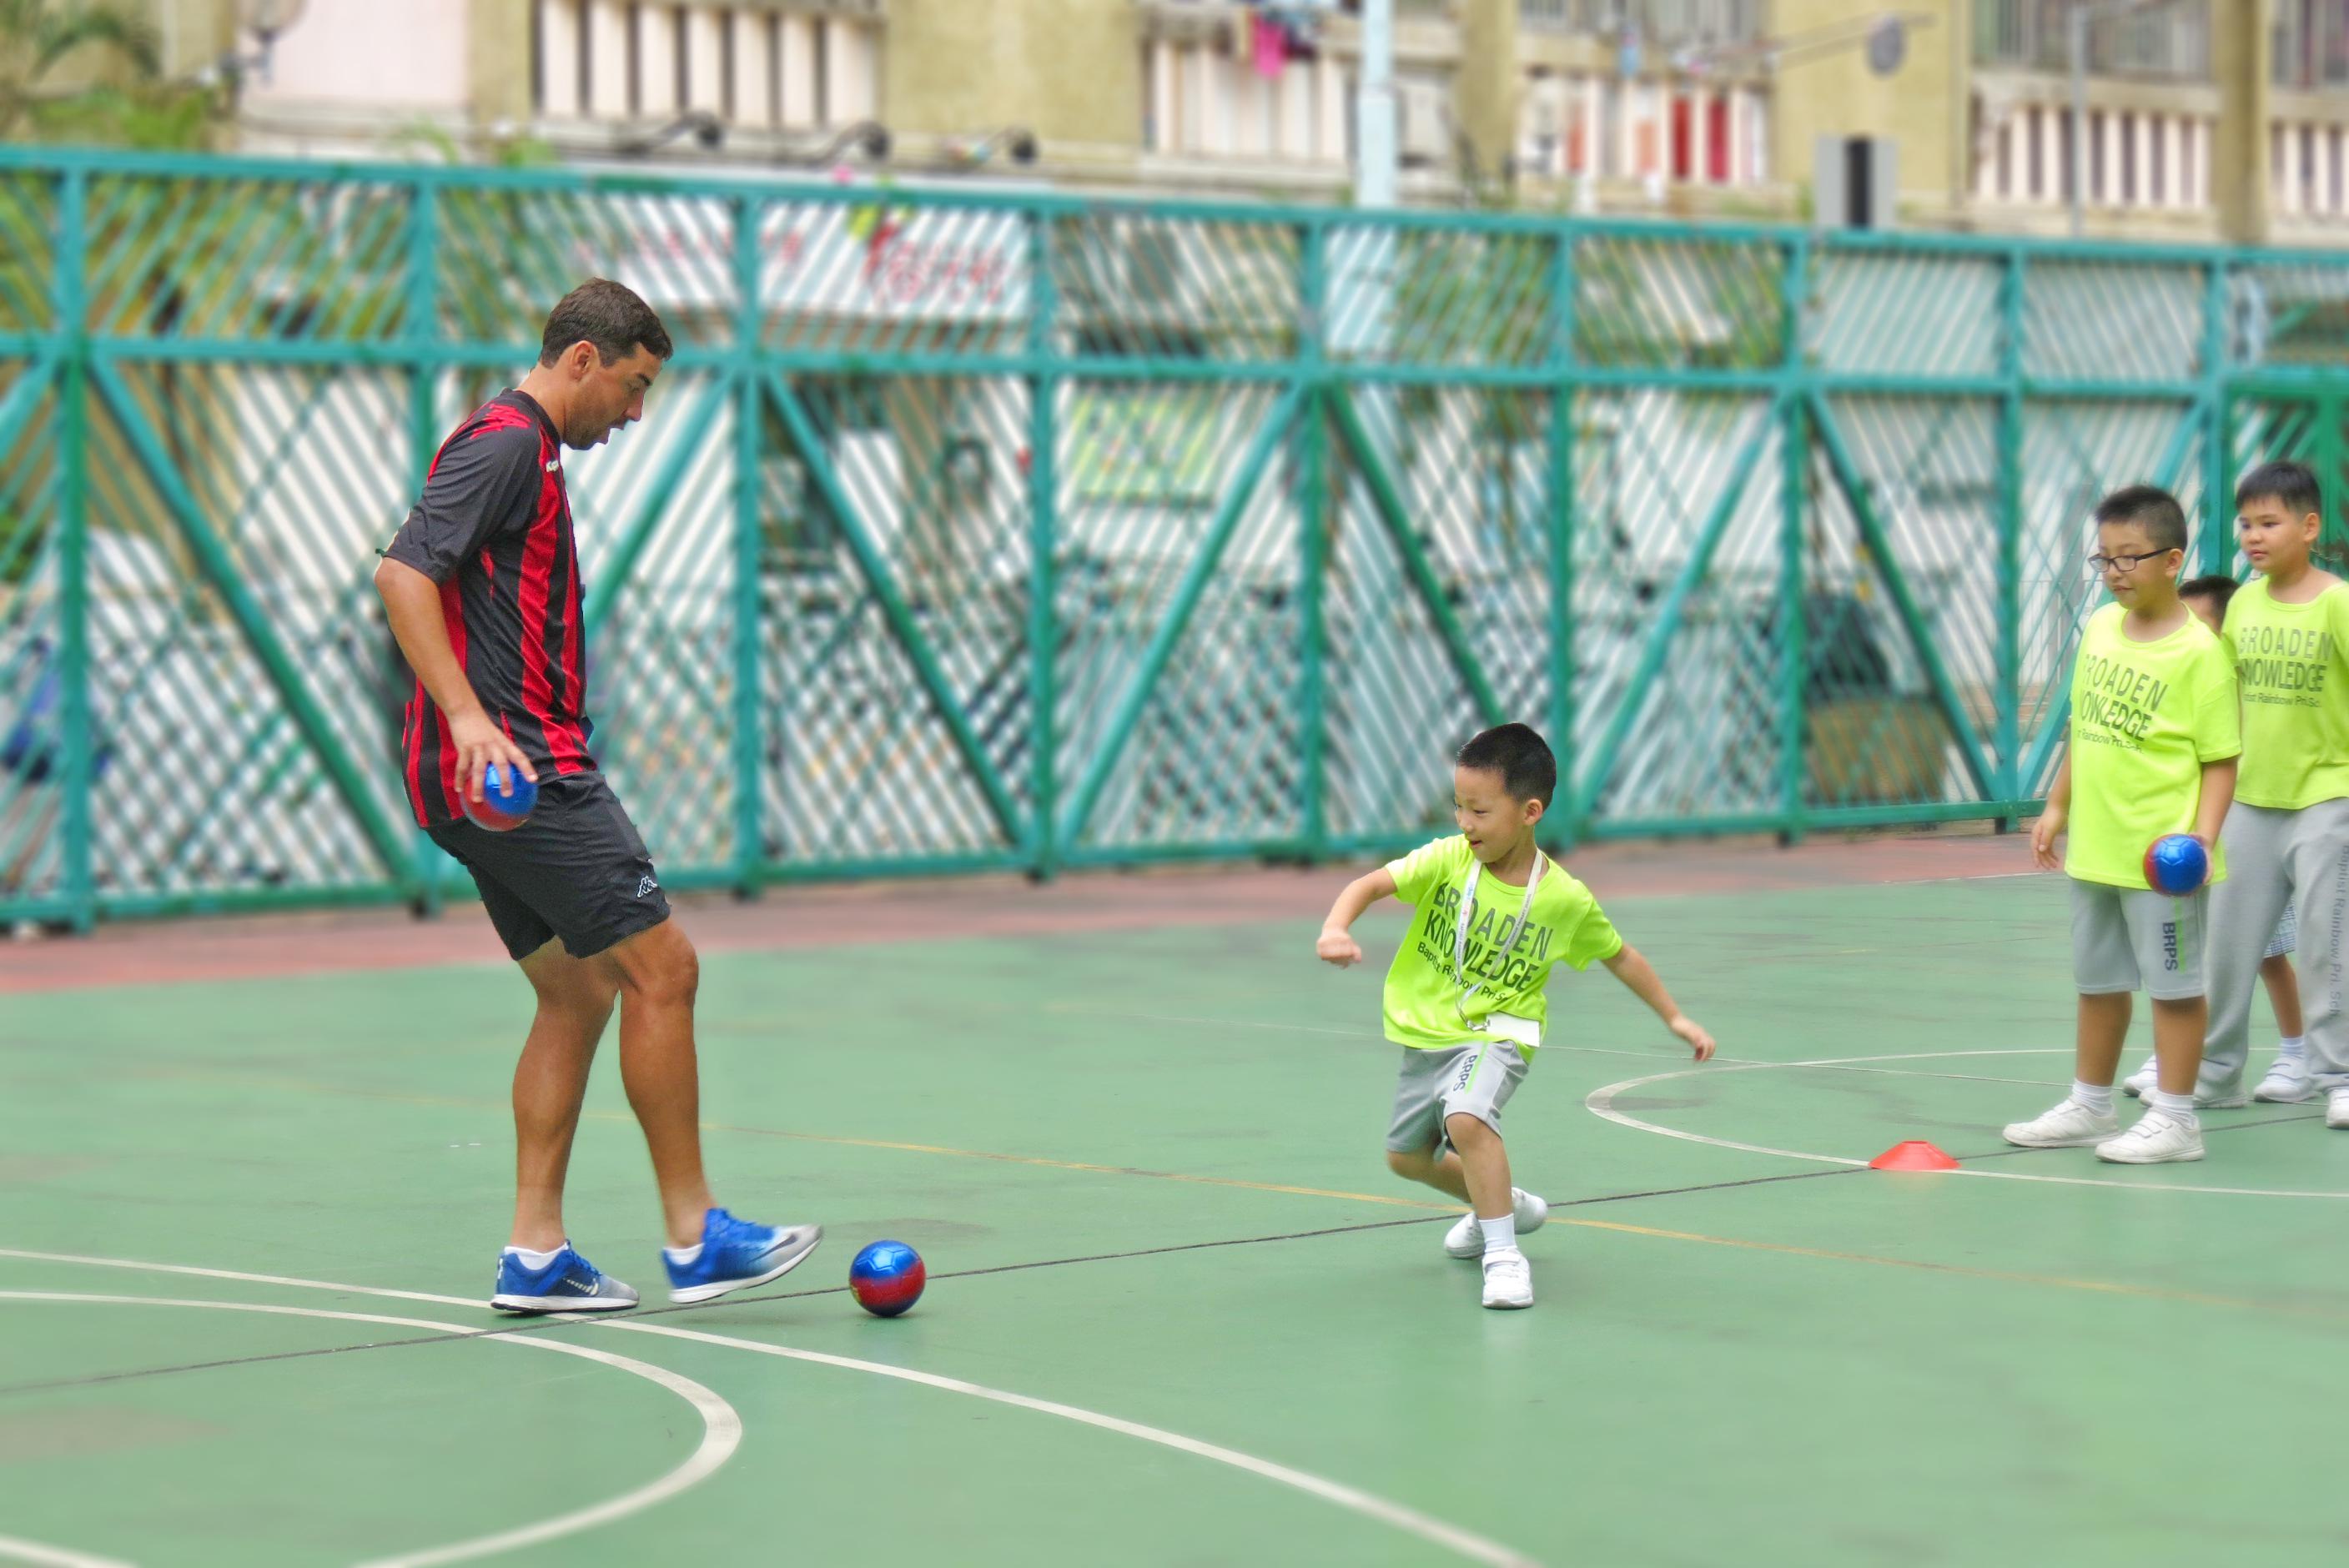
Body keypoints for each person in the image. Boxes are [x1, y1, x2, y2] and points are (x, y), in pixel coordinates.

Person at [375, 279, 818, 1314]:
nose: (634, 412)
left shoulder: (524, 450)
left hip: (482, 777)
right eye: (633, 384)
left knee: (576, 992)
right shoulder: (503, 444)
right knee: (665, 968)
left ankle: (535, 1254)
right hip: (520, 769)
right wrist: (470, 718)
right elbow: (403, 575)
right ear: (583, 358)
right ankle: (696, 1234)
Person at [1315, 722, 1715, 1311]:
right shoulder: (1449, 859)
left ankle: (1503, 1257)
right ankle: (1500, 1205)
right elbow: (1371, 884)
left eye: (1479, 810)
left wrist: (1674, 1018)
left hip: (1502, 1031)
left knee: (1467, 1117)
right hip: (1429, 1032)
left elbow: (1620, 956)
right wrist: (1335, 926)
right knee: (1406, 1159)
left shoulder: (1564, 899)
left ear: (1530, 812)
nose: (1464, 822)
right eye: (1458, 806)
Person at [2005, 486, 2238, 1164]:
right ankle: (2090, 1104)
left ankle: (2177, 1119)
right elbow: (2086, 727)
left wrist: (2202, 838)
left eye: (2128, 557)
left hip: (2162, 860)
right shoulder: (2104, 629)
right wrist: (2058, 805)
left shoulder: (2200, 653)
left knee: (2175, 989)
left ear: (2173, 560)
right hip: (2098, 848)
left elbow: (2221, 761)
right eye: (2103, 558)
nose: (2113, 572)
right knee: (2098, 983)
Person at [2184, 462, 2349, 1124]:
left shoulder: (2337, 602)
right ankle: (2216, 1072)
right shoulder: (2244, 605)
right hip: (2250, 802)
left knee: (2325, 944)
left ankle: (2337, 1075)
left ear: (2308, 527)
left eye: (2269, 523)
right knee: (2227, 947)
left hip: (2327, 798)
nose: (2252, 535)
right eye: (2245, 523)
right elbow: (2221, 704)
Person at [2120, 573, 2305, 1105]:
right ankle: (2178, 1055)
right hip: (2194, 834)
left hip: (2253, 826)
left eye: (2202, 625)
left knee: (2268, 951)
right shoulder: (2180, 680)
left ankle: (2299, 1050)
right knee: (2185, 948)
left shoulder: (2246, 686)